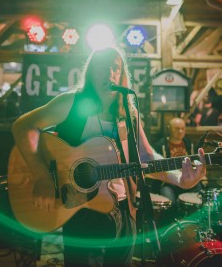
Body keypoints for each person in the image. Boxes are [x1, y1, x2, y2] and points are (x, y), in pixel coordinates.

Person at [12, 47, 206, 267]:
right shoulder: (71, 103)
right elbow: (23, 126)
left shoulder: (128, 112)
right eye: (103, 67)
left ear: (122, 74)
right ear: (91, 72)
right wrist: (41, 175)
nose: (109, 73)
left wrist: (179, 178)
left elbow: (145, 155)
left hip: (125, 211)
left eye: (115, 67)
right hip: (83, 213)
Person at [153, 117, 203, 206]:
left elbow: (196, 161)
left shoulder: (189, 143)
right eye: (177, 128)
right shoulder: (160, 146)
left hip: (189, 179)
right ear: (169, 129)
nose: (180, 131)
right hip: (170, 183)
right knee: (170, 203)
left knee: (201, 199)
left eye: (182, 128)